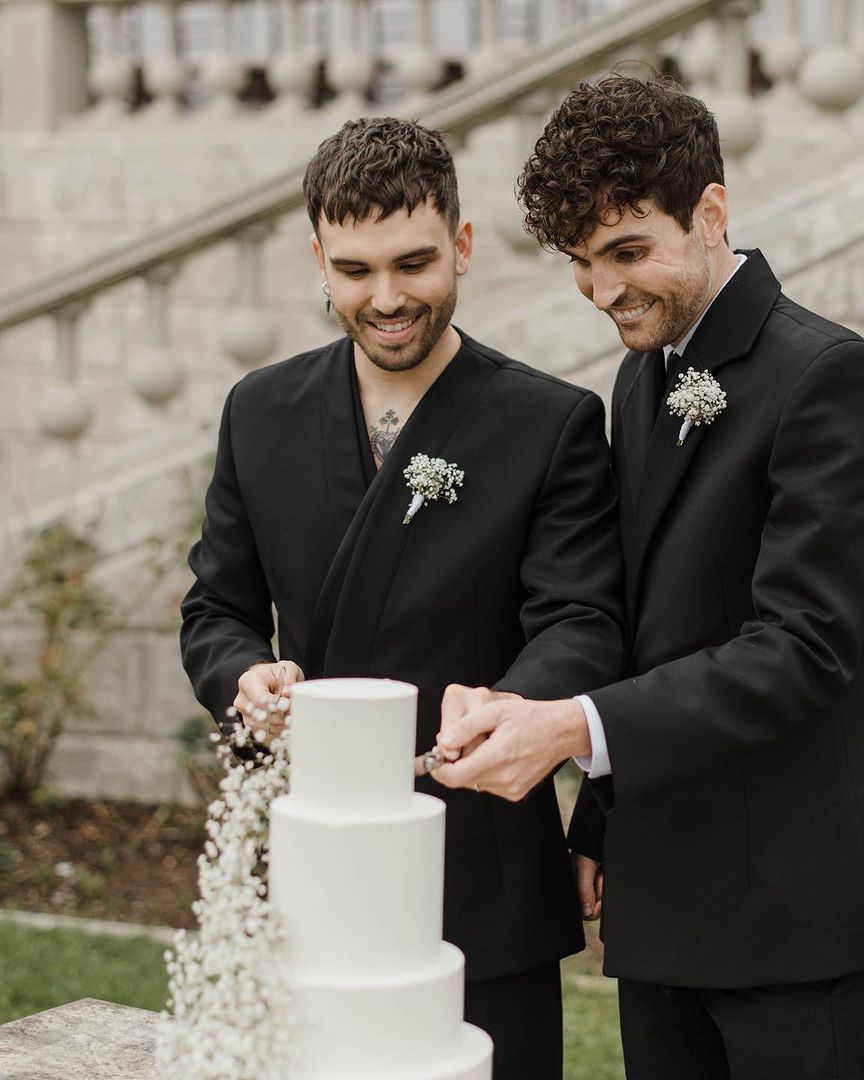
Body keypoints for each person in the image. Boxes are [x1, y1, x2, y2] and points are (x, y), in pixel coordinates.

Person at [432, 74, 864, 1080]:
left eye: (627, 252)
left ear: (712, 212)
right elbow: (653, 619)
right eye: (581, 263)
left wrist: (573, 731)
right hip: (662, 903)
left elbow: (803, 646)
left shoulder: (832, 378)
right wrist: (599, 819)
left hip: (791, 911)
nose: (606, 292)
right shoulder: (638, 377)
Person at [179, 116, 624, 1080]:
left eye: (414, 263)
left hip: (483, 867)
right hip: (312, 862)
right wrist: (243, 676)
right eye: (355, 269)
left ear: (462, 247)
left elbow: (582, 621)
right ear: (319, 262)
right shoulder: (258, 411)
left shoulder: (553, 424)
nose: (386, 298)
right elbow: (215, 609)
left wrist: (512, 704)